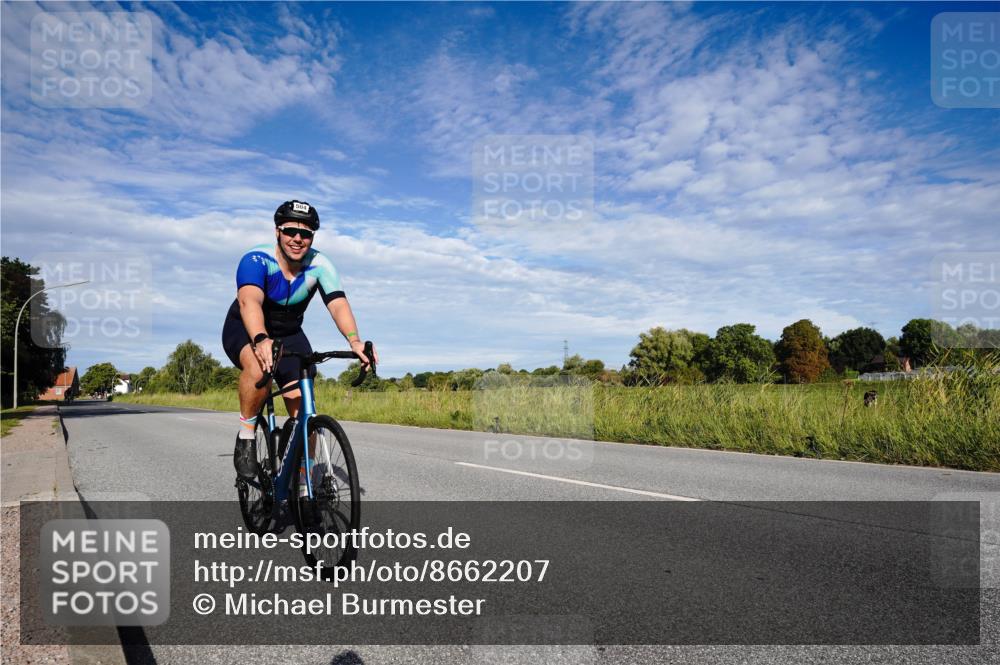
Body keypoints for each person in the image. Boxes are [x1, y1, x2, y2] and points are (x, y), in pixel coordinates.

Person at [222, 200, 376, 480]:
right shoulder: (256, 260)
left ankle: (305, 486)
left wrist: (354, 341)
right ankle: (246, 437)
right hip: (246, 328)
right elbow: (249, 301)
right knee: (259, 368)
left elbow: (338, 304)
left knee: (305, 410)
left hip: (290, 334)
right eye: (290, 231)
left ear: (312, 238)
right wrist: (260, 338)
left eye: (305, 234)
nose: (297, 239)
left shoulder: (320, 264)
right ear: (277, 232)